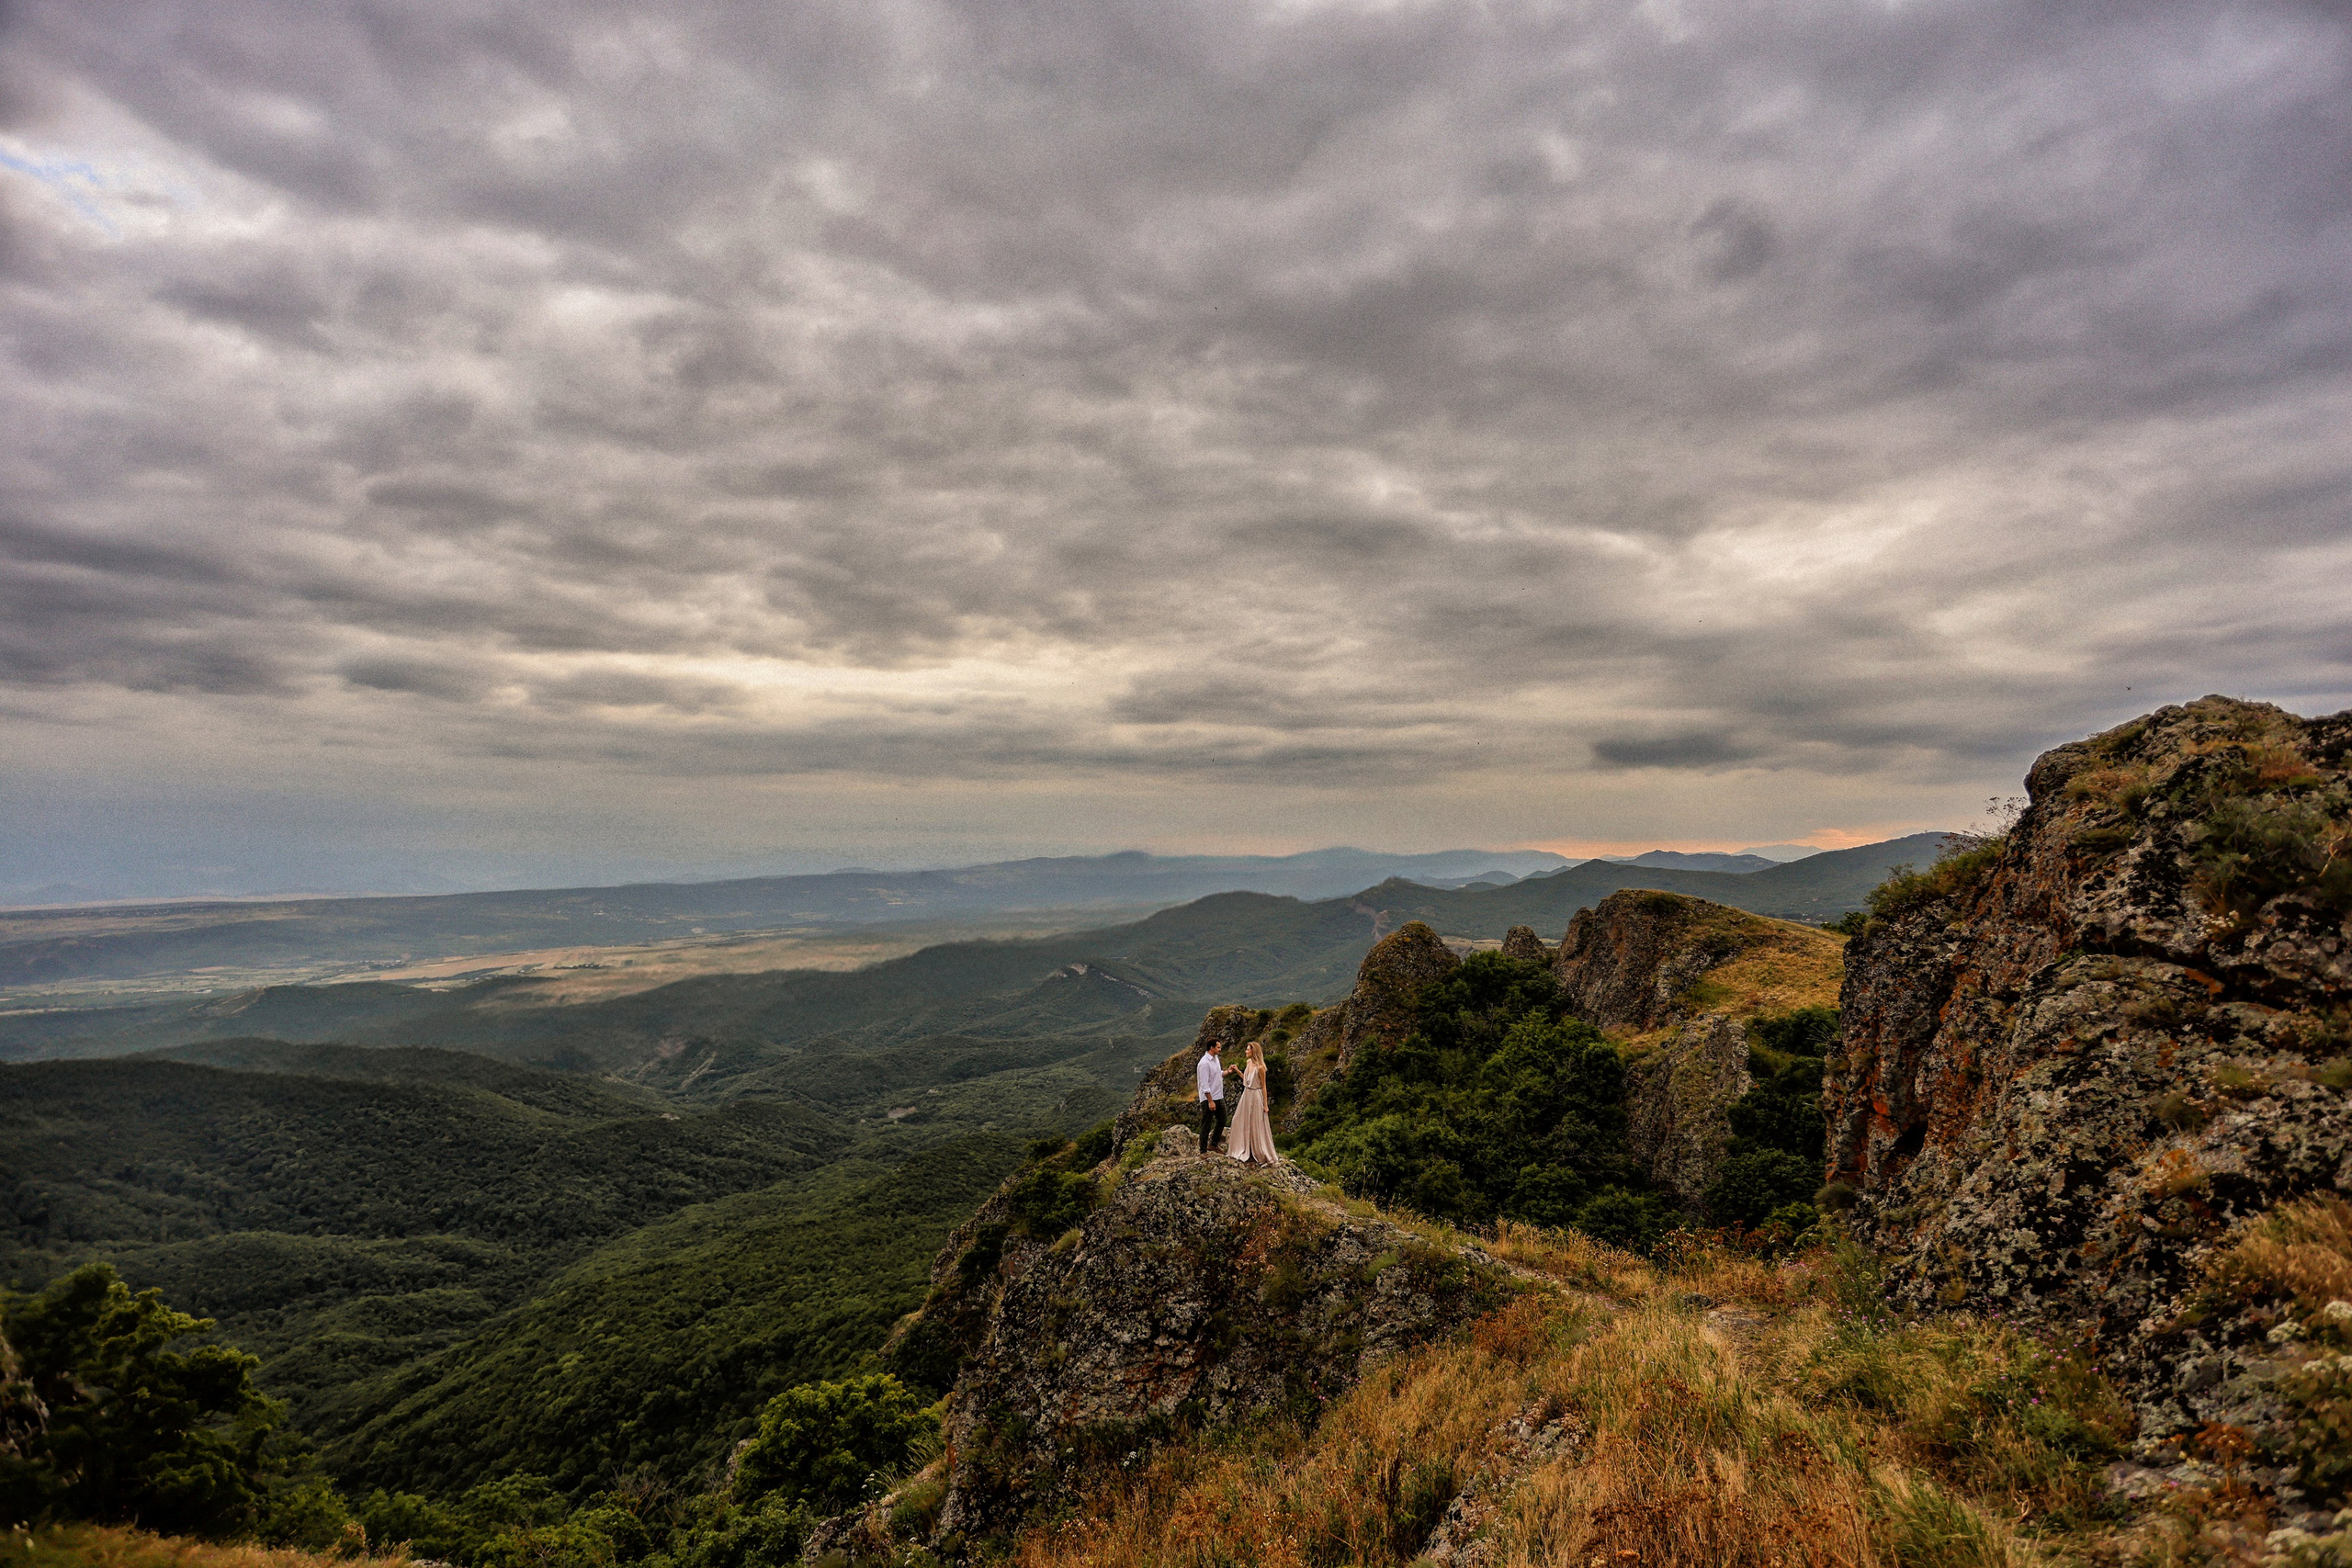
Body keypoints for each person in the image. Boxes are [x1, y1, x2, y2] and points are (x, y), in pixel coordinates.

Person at [1226, 1040, 1280, 1167]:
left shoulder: (1260, 1067)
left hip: (1256, 1096)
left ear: (1253, 1051)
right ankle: (1242, 1149)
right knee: (1238, 1120)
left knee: (1255, 1123)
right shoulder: (1248, 1062)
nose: (1246, 1051)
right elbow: (1247, 1079)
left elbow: (1263, 1086)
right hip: (1246, 1094)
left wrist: (1265, 1105)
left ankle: (1258, 1152)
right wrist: (1238, 1071)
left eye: (1248, 1049)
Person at [1195, 1040, 1228, 1156]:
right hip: (1209, 1098)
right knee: (1206, 1123)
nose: (1220, 1049)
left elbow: (1217, 1074)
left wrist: (1227, 1072)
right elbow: (1204, 1084)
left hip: (1219, 1096)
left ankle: (1213, 1144)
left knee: (1223, 1119)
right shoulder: (1204, 1063)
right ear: (1211, 1048)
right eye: (1218, 1047)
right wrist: (1210, 1101)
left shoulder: (1216, 1059)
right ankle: (1203, 1151)